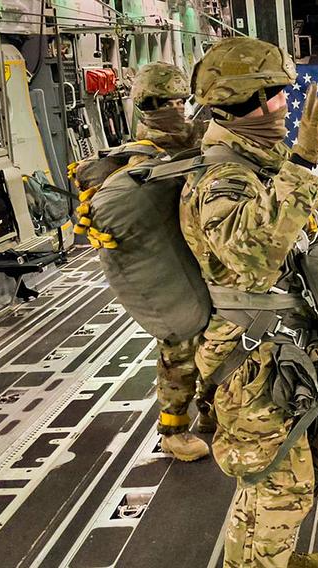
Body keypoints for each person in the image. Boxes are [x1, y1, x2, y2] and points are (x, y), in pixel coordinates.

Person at [181, 36, 318, 568]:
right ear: (245, 100)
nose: (283, 106)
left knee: (269, 479)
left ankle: (255, 561)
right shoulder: (221, 178)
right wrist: (300, 161)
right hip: (248, 356)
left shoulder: (261, 162)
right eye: (274, 95)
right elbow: (252, 257)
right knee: (281, 488)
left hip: (280, 347)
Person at [131, 62, 211, 462]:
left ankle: (214, 411)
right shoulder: (142, 155)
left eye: (180, 101)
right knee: (179, 349)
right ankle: (173, 428)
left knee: (217, 341)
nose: (175, 109)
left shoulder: (192, 136)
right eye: (164, 102)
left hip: (207, 256)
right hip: (175, 266)